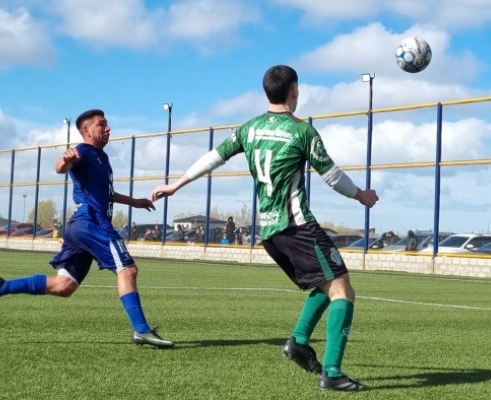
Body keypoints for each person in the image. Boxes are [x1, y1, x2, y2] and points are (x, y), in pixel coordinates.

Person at [151, 65, 379, 391]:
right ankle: (332, 373)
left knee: (325, 284)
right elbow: (332, 176)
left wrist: (177, 184)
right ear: (295, 91)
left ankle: (299, 342)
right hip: (297, 225)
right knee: (343, 289)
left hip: (270, 233)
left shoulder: (250, 128)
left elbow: (214, 157)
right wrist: (362, 195)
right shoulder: (303, 132)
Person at [0, 109, 173, 348]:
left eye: (108, 124)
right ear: (86, 131)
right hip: (92, 222)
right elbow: (61, 166)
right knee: (127, 270)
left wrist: (135, 202)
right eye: (102, 125)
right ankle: (141, 330)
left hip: (79, 226)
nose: (108, 128)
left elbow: (107, 194)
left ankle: (1, 286)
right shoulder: (83, 151)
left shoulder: (103, 158)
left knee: (64, 286)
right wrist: (65, 160)